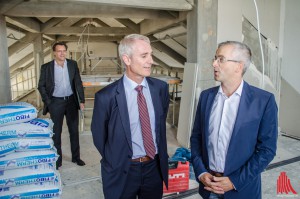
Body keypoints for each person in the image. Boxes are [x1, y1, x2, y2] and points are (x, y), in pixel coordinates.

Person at [190, 41, 278, 199]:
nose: (214, 64)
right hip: (209, 187)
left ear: (239, 66)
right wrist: (201, 172)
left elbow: (266, 150)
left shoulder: (263, 101)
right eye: (215, 58)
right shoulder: (206, 97)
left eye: (221, 59)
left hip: (242, 190)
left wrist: (234, 181)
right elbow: (196, 138)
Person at [91, 34, 170, 199]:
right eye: (144, 56)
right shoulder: (106, 96)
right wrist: (115, 160)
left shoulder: (160, 89)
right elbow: (99, 137)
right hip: (122, 170)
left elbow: (159, 126)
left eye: (151, 54)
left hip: (154, 168)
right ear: (126, 59)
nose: (151, 60)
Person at [38, 42, 86, 170]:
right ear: (54, 53)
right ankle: (57, 161)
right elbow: (41, 86)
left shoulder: (72, 64)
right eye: (59, 51)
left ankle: (76, 157)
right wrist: (49, 102)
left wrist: (81, 100)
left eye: (64, 50)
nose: (62, 53)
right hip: (56, 102)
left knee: (74, 131)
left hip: (71, 101)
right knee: (56, 132)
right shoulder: (46, 67)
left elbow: (78, 83)